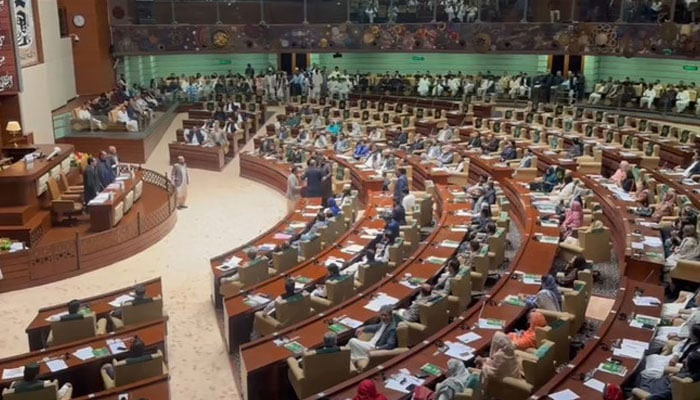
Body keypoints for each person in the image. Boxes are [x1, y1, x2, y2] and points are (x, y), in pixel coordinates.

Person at [634, 351, 700, 400]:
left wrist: (635, 390)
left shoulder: (675, 387)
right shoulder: (694, 375)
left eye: (687, 359)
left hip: (652, 390)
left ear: (691, 364)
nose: (684, 360)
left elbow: (653, 397)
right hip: (659, 383)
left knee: (635, 388)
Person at [8, 362, 73, 400]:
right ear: (36, 375)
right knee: (68, 385)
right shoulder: (47, 384)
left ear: (24, 372)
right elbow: (58, 396)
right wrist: (65, 386)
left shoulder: (13, 386)